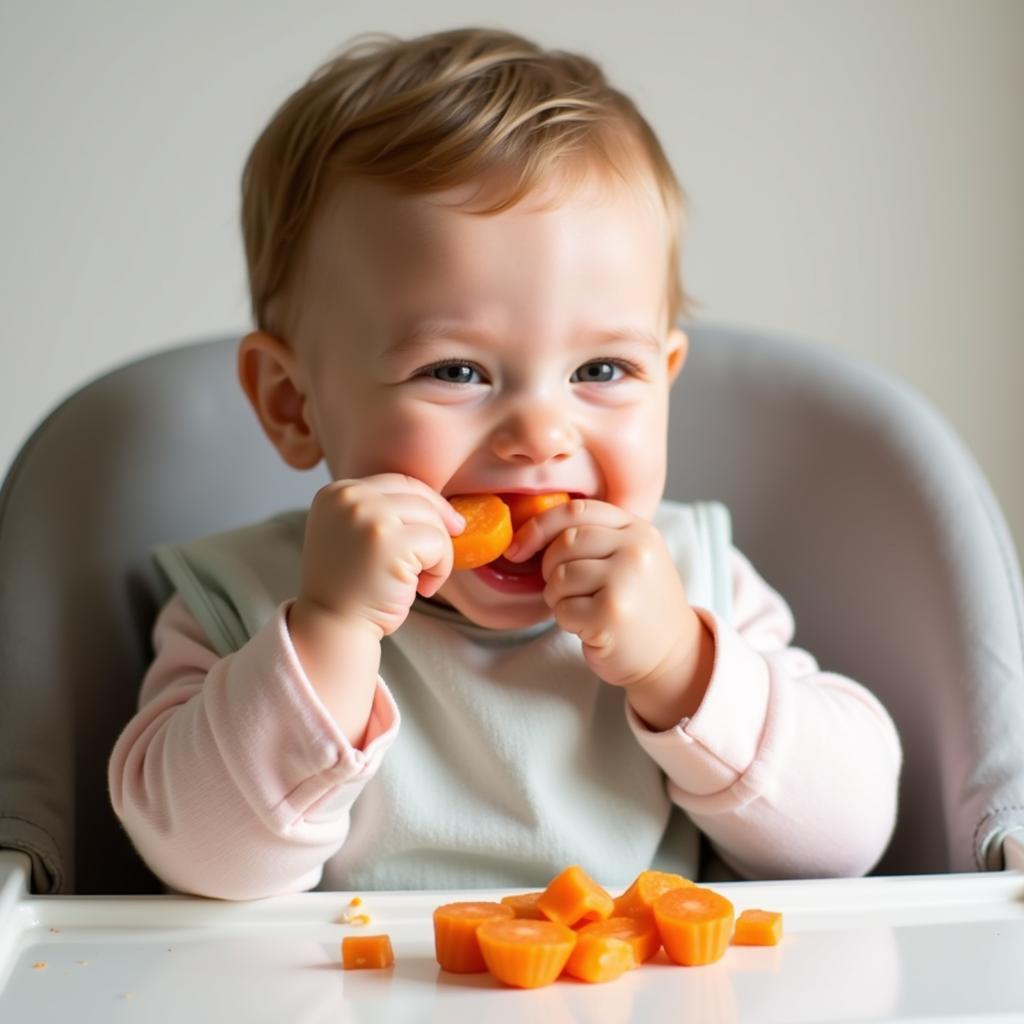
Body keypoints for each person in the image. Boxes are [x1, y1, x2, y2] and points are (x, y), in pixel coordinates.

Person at [108, 27, 901, 900]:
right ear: (293, 403)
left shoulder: (692, 587)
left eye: (601, 371)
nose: (540, 433)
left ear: (665, 381)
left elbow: (848, 839)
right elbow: (199, 860)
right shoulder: (239, 604)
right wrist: (330, 634)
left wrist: (680, 666)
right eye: (456, 371)